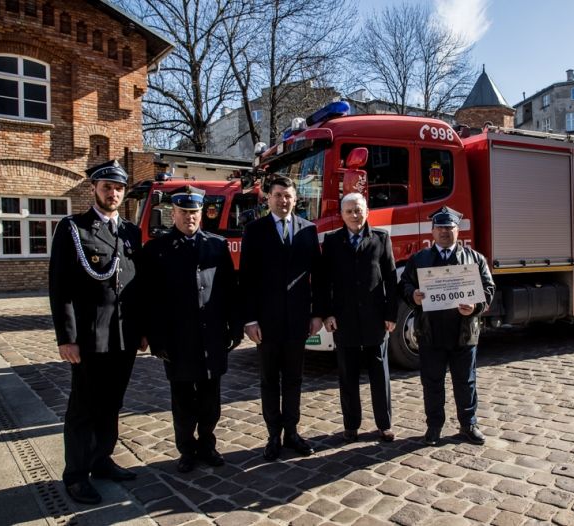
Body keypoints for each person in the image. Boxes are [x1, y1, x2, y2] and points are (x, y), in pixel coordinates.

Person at [49, 159, 145, 505]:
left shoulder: (131, 232)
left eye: (119, 188)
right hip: (90, 337)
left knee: (112, 404)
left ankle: (101, 460)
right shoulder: (74, 228)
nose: (114, 193)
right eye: (107, 187)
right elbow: (59, 287)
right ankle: (75, 475)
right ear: (94, 189)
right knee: (83, 408)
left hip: (124, 337)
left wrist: (143, 330)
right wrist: (66, 337)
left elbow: (138, 287)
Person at [143, 186, 242, 473]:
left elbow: (229, 291)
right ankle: (186, 449)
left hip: (212, 337)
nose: (190, 217)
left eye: (194, 212)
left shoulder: (216, 245)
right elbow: (152, 299)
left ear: (202, 213)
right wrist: (157, 339)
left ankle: (208, 445)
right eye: (184, 212)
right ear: (172, 213)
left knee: (211, 400)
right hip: (178, 340)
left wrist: (234, 329)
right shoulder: (157, 249)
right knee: (183, 401)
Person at [238, 176, 324, 461]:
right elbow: (247, 279)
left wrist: (317, 313)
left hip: (299, 320)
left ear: (296, 199)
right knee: (268, 380)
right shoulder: (254, 230)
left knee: (294, 379)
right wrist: (249, 319)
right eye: (277, 195)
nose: (283, 200)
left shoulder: (308, 230)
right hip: (266, 322)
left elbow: (317, 275)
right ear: (268, 198)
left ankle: (292, 431)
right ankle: (273, 434)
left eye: (288, 196)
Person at [398, 206, 495, 447]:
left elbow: (488, 289)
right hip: (430, 332)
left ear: (457, 230)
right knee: (432, 382)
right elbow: (404, 285)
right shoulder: (419, 259)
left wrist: (475, 306)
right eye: (440, 227)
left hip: (463, 332)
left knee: (466, 381)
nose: (444, 231)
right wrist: (414, 296)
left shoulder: (475, 258)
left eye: (449, 227)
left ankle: (468, 423)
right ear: (432, 231)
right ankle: (434, 426)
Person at [322, 193, 397, 443]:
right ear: (342, 215)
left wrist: (391, 314)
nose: (355, 215)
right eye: (349, 211)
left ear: (367, 211)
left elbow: (391, 279)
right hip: (344, 320)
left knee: (380, 374)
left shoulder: (381, 238)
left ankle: (384, 424)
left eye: (359, 210)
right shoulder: (332, 242)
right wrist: (327, 313)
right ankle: (351, 424)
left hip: (375, 319)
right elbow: (325, 282)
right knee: (348, 374)